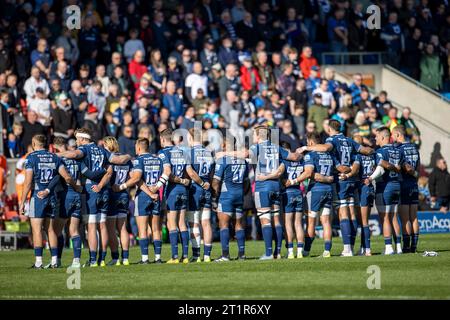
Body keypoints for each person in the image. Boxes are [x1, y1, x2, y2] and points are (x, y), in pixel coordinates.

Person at [57, 128, 131, 267]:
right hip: (104, 191)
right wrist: (127, 156)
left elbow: (73, 154)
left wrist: (57, 155)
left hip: (91, 190)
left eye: (78, 139)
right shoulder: (102, 150)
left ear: (83, 139)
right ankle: (102, 260)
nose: (77, 142)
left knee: (91, 227)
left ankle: (92, 260)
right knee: (102, 226)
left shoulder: (84, 149)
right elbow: (118, 160)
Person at [301, 119, 373, 256]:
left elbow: (325, 149)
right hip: (351, 179)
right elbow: (365, 151)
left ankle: (347, 249)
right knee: (351, 214)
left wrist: (305, 148)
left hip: (339, 181)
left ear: (329, 129)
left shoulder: (331, 140)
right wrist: (372, 151)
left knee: (343, 214)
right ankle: (351, 246)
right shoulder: (349, 140)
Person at [19, 134, 79, 269]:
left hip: (38, 195)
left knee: (37, 230)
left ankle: (39, 261)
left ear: (34, 144)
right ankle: (54, 261)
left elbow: (28, 182)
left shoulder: (31, 158)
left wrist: (22, 201)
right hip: (52, 196)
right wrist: (77, 187)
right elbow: (66, 176)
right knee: (51, 230)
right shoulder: (54, 157)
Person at [249, 125, 303, 260]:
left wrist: (226, 153)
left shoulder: (255, 148)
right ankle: (277, 253)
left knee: (265, 221)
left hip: (262, 187)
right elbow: (295, 157)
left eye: (253, 135)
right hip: (276, 187)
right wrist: (303, 150)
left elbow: (244, 154)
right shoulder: (277, 148)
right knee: (277, 221)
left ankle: (268, 254)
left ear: (258, 136)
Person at [120, 138, 168, 264]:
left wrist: (124, 186)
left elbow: (137, 179)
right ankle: (158, 258)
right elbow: (166, 174)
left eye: (136, 146)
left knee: (143, 229)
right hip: (157, 195)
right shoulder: (158, 159)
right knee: (156, 229)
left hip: (143, 196)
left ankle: (145, 258)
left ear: (139, 148)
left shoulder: (138, 160)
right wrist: (157, 187)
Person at [301, 132, 343, 258]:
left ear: (311, 142)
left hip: (315, 190)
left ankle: (306, 251)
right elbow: (339, 168)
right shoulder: (330, 155)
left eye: (308, 142)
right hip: (329, 190)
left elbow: (309, 173)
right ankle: (327, 251)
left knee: (311, 222)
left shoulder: (310, 155)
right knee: (326, 221)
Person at [365, 127, 403, 255]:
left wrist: (370, 178)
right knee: (394, 217)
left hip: (385, 186)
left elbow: (381, 169)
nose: (375, 138)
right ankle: (398, 247)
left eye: (376, 136)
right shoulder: (398, 150)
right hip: (397, 185)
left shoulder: (380, 151)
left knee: (385, 217)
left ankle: (388, 248)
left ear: (382, 137)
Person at [212, 136, 249, 262]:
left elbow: (216, 182)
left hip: (226, 195)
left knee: (224, 225)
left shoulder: (222, 160)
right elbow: (247, 182)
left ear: (223, 145)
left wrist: (214, 197)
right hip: (239, 195)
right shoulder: (243, 161)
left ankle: (225, 255)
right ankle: (242, 255)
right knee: (239, 225)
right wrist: (242, 193)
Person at [158, 129, 191, 263]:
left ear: (163, 139)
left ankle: (175, 257)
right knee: (182, 223)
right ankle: (185, 256)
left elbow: (168, 173)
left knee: (172, 224)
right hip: (183, 190)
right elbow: (189, 172)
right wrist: (184, 181)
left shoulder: (163, 153)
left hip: (172, 190)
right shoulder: (183, 152)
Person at [51, 137, 84, 268]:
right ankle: (76, 261)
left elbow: (61, 178)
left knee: (56, 231)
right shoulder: (75, 158)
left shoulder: (58, 159)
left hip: (65, 195)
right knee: (74, 230)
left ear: (55, 146)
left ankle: (57, 260)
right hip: (77, 195)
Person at [186, 128, 215, 262]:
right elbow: (212, 173)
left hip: (196, 188)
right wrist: (207, 184)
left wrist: (202, 183)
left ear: (191, 138)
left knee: (194, 223)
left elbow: (191, 173)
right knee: (206, 223)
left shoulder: (189, 152)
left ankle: (197, 256)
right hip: (207, 189)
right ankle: (207, 255)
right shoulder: (209, 152)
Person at [103, 137, 133, 265]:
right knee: (122, 228)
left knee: (111, 228)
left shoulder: (109, 158)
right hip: (124, 194)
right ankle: (125, 259)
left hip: (111, 194)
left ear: (107, 145)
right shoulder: (125, 159)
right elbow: (132, 176)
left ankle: (115, 258)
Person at [392, 125, 421, 253]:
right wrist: (415, 175)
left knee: (405, 219)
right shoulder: (414, 147)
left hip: (403, 184)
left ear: (398, 135)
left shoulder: (399, 149)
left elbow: (406, 167)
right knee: (414, 217)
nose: (392, 137)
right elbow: (417, 168)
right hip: (414, 185)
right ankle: (414, 246)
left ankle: (407, 246)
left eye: (393, 135)